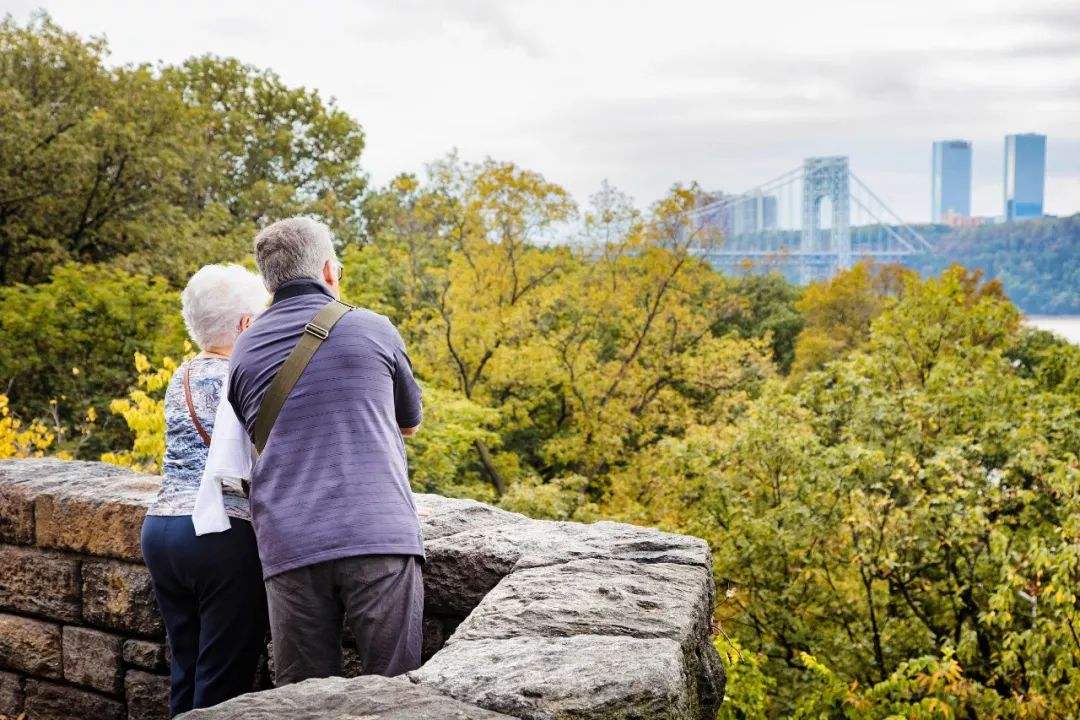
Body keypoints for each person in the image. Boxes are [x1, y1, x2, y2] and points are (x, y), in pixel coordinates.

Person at [226, 216, 424, 685]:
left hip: (289, 544)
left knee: (302, 703)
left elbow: (250, 433)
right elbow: (409, 422)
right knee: (396, 696)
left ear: (268, 282)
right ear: (330, 271)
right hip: (379, 536)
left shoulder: (243, 349)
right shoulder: (373, 328)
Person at [140, 264, 270, 717]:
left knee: (188, 671)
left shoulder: (184, 375)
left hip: (161, 531)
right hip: (218, 533)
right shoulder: (240, 376)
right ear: (246, 325)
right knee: (221, 686)